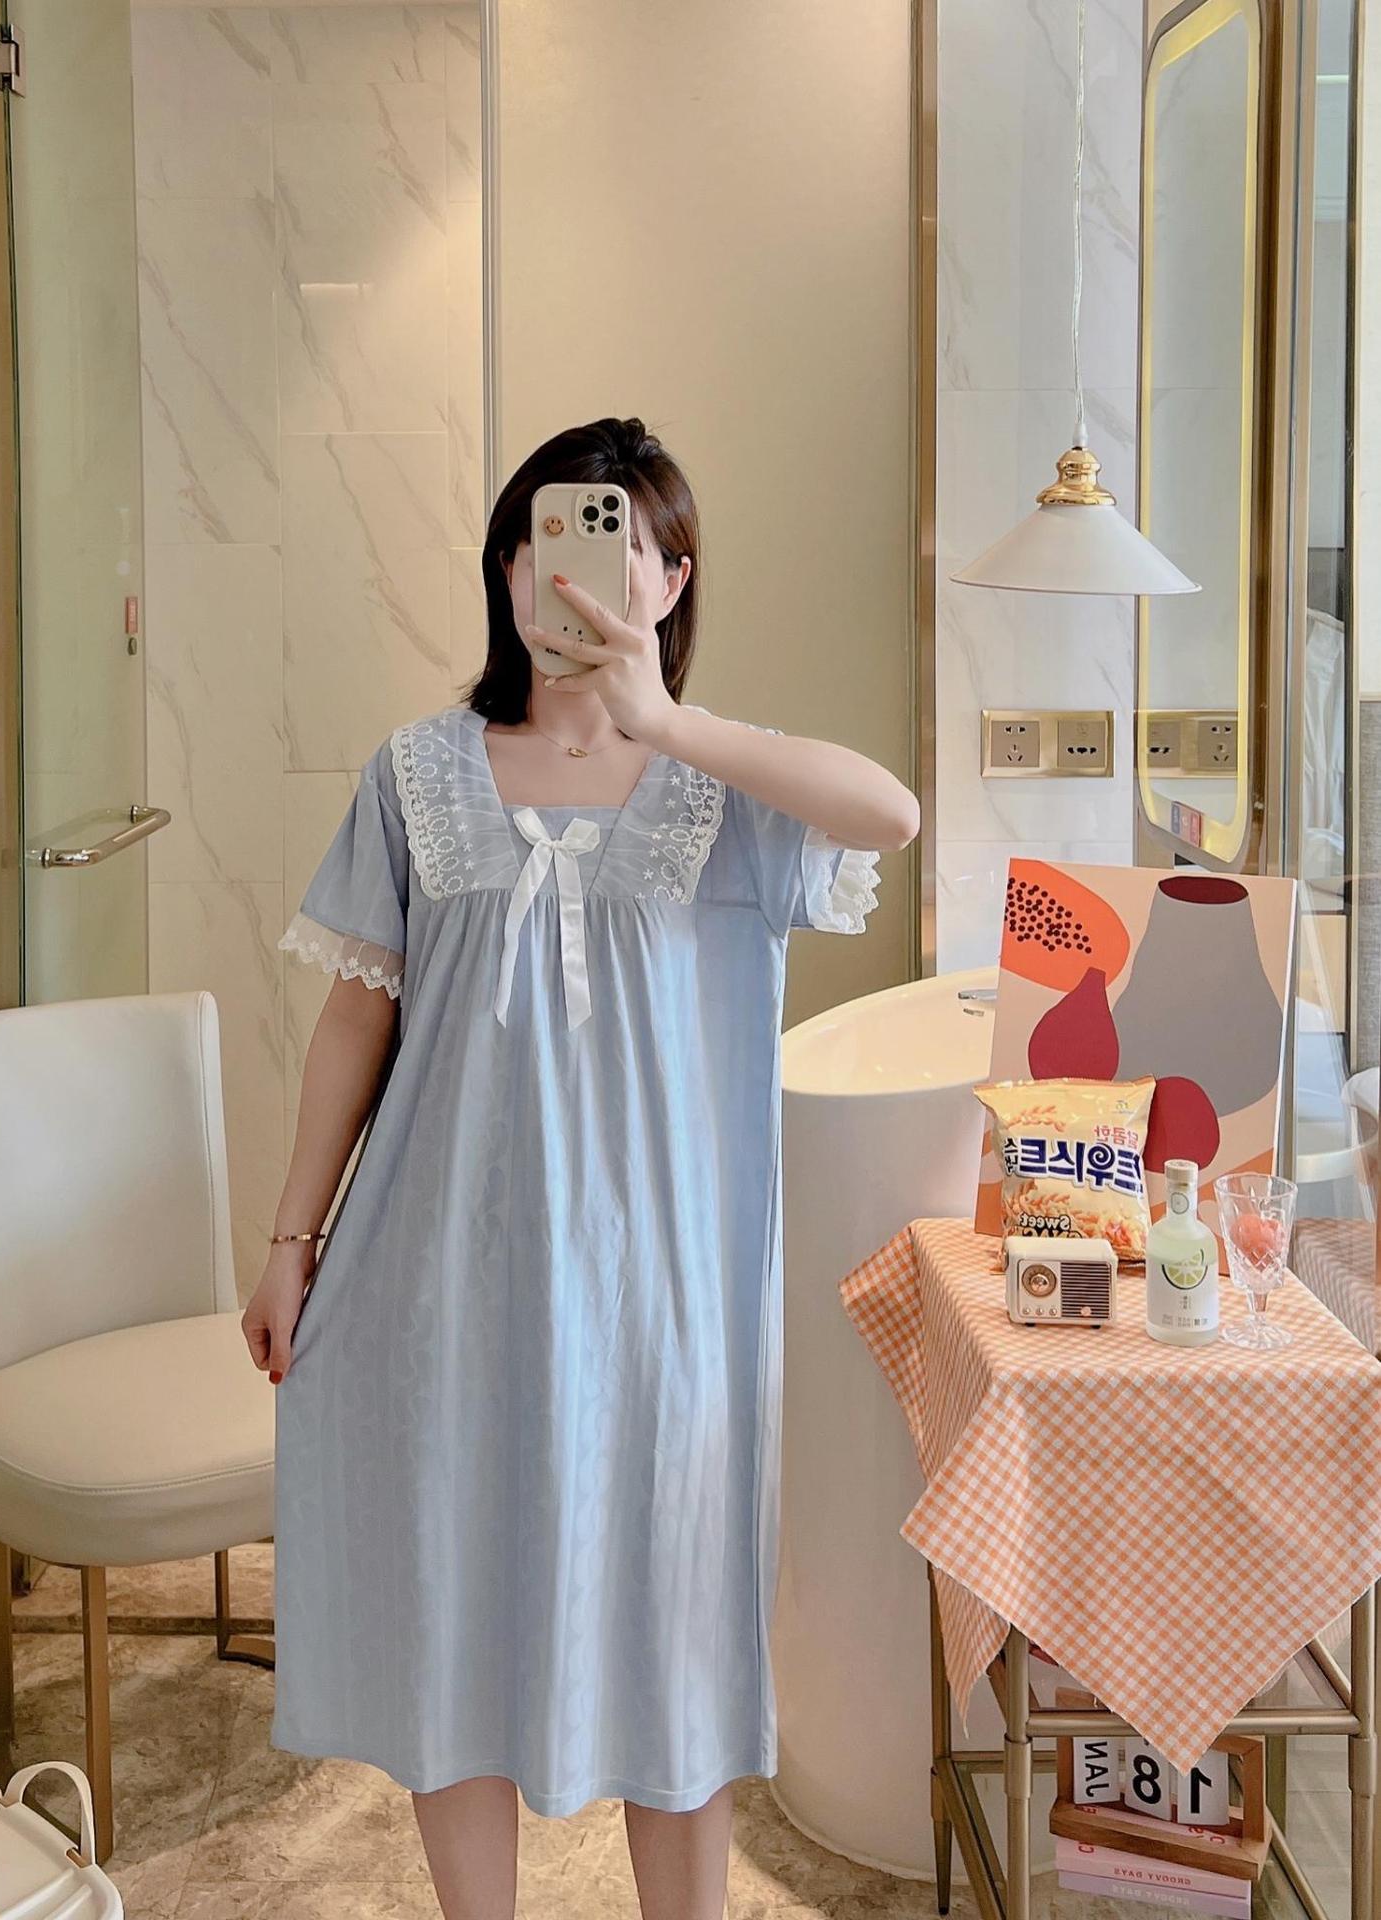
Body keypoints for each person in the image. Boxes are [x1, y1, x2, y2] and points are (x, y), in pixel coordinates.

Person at [243, 415, 920, 1919]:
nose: (584, 577)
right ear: (509, 569)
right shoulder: (418, 773)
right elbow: (357, 1021)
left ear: (671, 580)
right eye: (548, 543)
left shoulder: (728, 789)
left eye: (630, 549)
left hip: (662, 1300)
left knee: (675, 1634)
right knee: (452, 1616)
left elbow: (891, 812)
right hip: (437, 1280)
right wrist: (293, 1243)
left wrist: (664, 720)